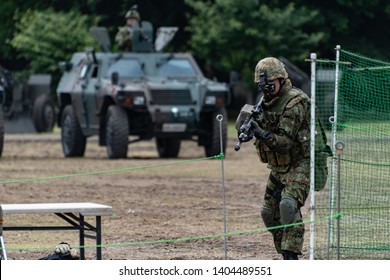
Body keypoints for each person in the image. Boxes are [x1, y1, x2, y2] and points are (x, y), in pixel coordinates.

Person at [240, 57, 313, 260]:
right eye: (263, 86)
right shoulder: (265, 102)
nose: (267, 90)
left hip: (300, 162)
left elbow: (285, 143)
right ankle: (284, 253)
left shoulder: (295, 102)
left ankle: (291, 256)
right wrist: (247, 130)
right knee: (268, 213)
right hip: (279, 166)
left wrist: (261, 133)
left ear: (281, 79)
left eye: (270, 85)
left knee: (288, 206)